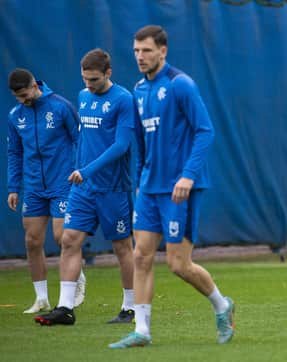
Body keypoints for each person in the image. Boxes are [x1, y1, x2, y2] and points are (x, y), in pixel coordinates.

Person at [109, 25, 234, 348]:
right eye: (136, 51)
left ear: (163, 51)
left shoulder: (181, 85)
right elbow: (139, 142)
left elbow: (205, 131)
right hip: (149, 189)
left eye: (146, 50)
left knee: (178, 264)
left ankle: (222, 305)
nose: (140, 56)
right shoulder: (138, 90)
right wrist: (139, 183)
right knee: (141, 257)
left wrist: (188, 175)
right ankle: (142, 331)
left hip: (180, 188)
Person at [34, 49, 135, 326]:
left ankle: (130, 307)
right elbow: (83, 139)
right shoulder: (83, 96)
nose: (88, 85)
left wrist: (86, 170)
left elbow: (121, 145)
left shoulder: (124, 100)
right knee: (69, 240)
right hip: (82, 188)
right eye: (85, 79)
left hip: (113, 188)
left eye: (94, 80)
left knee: (122, 247)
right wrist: (77, 168)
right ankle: (65, 308)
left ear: (108, 73)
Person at [7, 68, 86, 314]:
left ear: (34, 85)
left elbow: (79, 140)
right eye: (17, 96)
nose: (22, 100)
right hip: (33, 187)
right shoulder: (15, 115)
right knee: (32, 241)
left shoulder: (61, 107)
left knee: (63, 237)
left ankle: (77, 276)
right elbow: (15, 152)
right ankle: (41, 298)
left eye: (24, 94)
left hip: (63, 182)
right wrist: (13, 187)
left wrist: (78, 170)